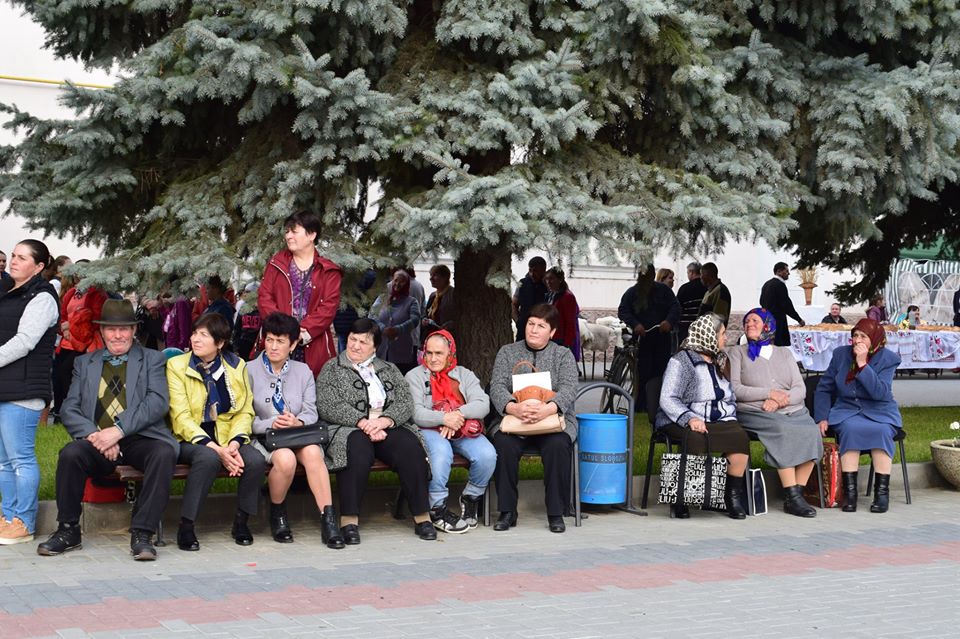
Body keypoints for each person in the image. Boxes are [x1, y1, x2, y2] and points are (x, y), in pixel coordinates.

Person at [37, 300, 177, 559]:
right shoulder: (84, 363)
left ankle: (142, 532)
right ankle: (68, 530)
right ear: (102, 331)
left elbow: (157, 402)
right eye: (111, 329)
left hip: (139, 438)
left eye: (124, 329)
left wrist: (119, 431)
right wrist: (96, 436)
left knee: (163, 453)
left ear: (134, 330)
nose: (118, 335)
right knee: (70, 454)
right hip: (98, 439)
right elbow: (69, 408)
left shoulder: (152, 359)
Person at [315, 318, 436, 543]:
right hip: (349, 427)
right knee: (356, 451)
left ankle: (422, 517)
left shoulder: (389, 369)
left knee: (410, 448)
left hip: (386, 425)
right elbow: (328, 404)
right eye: (352, 339)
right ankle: (349, 522)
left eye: (363, 342)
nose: (355, 346)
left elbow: (405, 402)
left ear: (375, 347)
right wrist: (363, 423)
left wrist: (384, 421)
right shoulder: (332, 368)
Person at [166, 313, 266, 550]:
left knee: (255, 460)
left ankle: (241, 522)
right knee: (208, 458)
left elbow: (244, 410)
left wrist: (233, 444)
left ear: (220, 342)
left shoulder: (237, 366)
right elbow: (180, 417)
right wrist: (216, 449)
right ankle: (186, 525)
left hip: (227, 436)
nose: (195, 339)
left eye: (204, 335)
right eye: (194, 333)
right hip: (190, 438)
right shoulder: (177, 365)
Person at [247, 312, 343, 549]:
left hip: (298, 433)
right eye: (269, 340)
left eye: (280, 341)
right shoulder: (248, 370)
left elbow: (311, 411)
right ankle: (277, 513)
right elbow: (244, 417)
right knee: (286, 459)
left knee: (313, 453)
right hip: (265, 436)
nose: (273, 346)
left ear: (292, 344)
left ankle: (328, 519)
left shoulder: (303, 371)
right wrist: (271, 423)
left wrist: (297, 421)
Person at [490, 303, 579, 533]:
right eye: (531, 323)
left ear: (552, 332)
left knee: (558, 446)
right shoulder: (507, 352)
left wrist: (548, 409)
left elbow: (569, 388)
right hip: (515, 420)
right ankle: (507, 511)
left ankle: (556, 513)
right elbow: (497, 386)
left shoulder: (563, 355)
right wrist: (513, 408)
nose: (533, 329)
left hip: (552, 421)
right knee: (503, 444)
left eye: (541, 326)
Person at [727, 308, 822, 518]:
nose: (749, 324)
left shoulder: (784, 353)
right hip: (755, 411)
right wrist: (768, 394)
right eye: (747, 321)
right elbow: (735, 389)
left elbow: (800, 388)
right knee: (782, 430)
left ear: (768, 325)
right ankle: (792, 495)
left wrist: (779, 400)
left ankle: (796, 494)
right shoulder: (738, 353)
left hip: (791, 408)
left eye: (755, 320)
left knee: (812, 432)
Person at [655, 313, 750, 519]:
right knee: (696, 438)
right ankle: (682, 499)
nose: (726, 338)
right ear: (709, 335)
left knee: (739, 438)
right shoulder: (681, 361)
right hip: (679, 417)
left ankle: (731, 497)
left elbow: (729, 394)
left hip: (717, 419)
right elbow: (668, 398)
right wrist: (690, 418)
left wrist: (729, 414)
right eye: (722, 334)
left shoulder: (720, 360)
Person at [406, 330, 495, 533]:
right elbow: (416, 413)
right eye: (429, 353)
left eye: (439, 353)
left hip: (460, 427)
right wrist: (443, 418)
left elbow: (483, 404)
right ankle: (436, 507)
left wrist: (456, 415)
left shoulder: (464, 374)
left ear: (450, 353)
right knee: (441, 452)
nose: (433, 358)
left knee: (487, 454)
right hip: (428, 428)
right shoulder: (414, 376)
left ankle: (471, 497)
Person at [0, 240, 59, 545]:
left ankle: (24, 521)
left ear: (38, 266)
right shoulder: (9, 291)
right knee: (3, 462)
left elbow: (25, 341)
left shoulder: (42, 297)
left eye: (22, 258)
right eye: (13, 255)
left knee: (20, 459)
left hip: (24, 391)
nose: (13, 261)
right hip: (4, 387)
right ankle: (7, 516)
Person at [814, 318, 901, 513]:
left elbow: (879, 393)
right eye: (855, 335)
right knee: (850, 429)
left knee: (881, 431)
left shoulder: (888, 359)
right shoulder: (841, 354)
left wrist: (862, 364)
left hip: (880, 410)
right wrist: (822, 417)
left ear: (875, 339)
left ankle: (882, 494)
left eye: (863, 336)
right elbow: (824, 388)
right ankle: (850, 494)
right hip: (847, 409)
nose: (857, 340)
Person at [259, 210, 342, 377]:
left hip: (313, 344)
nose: (288, 236)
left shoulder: (328, 270)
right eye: (287, 232)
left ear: (311, 235)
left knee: (310, 388)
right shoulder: (276, 264)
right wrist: (282, 329)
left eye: (294, 231)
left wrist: (301, 334)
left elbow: (328, 307)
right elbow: (264, 297)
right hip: (277, 341)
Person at [617, 264, 681, 411]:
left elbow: (675, 307)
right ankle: (641, 405)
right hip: (642, 339)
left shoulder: (664, 291)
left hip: (661, 337)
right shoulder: (632, 293)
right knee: (643, 372)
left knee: (661, 371)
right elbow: (623, 311)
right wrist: (635, 324)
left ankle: (658, 404)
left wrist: (669, 321)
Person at [54, 267, 109, 418]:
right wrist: (65, 328)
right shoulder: (72, 292)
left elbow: (95, 318)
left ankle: (76, 412)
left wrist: (71, 325)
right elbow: (63, 314)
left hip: (86, 342)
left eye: (83, 274)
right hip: (67, 341)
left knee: (70, 374)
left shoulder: (97, 294)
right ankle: (61, 412)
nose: (79, 277)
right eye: (77, 274)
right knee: (59, 377)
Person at [370, 270, 421, 374]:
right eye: (396, 280)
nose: (398, 284)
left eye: (402, 281)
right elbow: (372, 315)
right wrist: (383, 328)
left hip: (401, 351)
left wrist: (398, 330)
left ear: (407, 284)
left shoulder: (412, 302)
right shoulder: (382, 298)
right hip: (381, 349)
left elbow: (415, 319)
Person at [759, 262, 805, 346]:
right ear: (779, 271)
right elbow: (787, 305)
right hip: (778, 322)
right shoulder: (779, 285)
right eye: (786, 271)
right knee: (778, 347)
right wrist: (799, 319)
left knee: (768, 346)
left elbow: (761, 301)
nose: (788, 273)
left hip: (766, 321)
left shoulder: (766, 284)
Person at [544, 267, 581, 361]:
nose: (548, 282)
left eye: (551, 279)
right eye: (547, 279)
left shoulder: (567, 297)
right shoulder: (551, 295)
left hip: (560, 339)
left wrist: (567, 344)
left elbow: (570, 322)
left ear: (560, 279)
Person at [512, 256, 548, 341]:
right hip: (523, 329)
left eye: (536, 271)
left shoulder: (548, 285)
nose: (532, 274)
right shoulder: (522, 283)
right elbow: (513, 304)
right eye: (531, 270)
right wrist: (518, 322)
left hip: (542, 330)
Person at [421, 264, 456, 340]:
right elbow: (426, 313)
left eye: (435, 275)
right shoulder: (433, 295)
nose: (431, 278)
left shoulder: (453, 294)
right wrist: (424, 320)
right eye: (431, 275)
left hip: (447, 337)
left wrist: (449, 325)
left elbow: (458, 317)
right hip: (432, 336)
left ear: (445, 278)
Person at [676, 262, 707, 343]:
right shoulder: (707, 288)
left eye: (687, 272)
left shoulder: (684, 288)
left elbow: (678, 308)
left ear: (691, 272)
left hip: (686, 329)